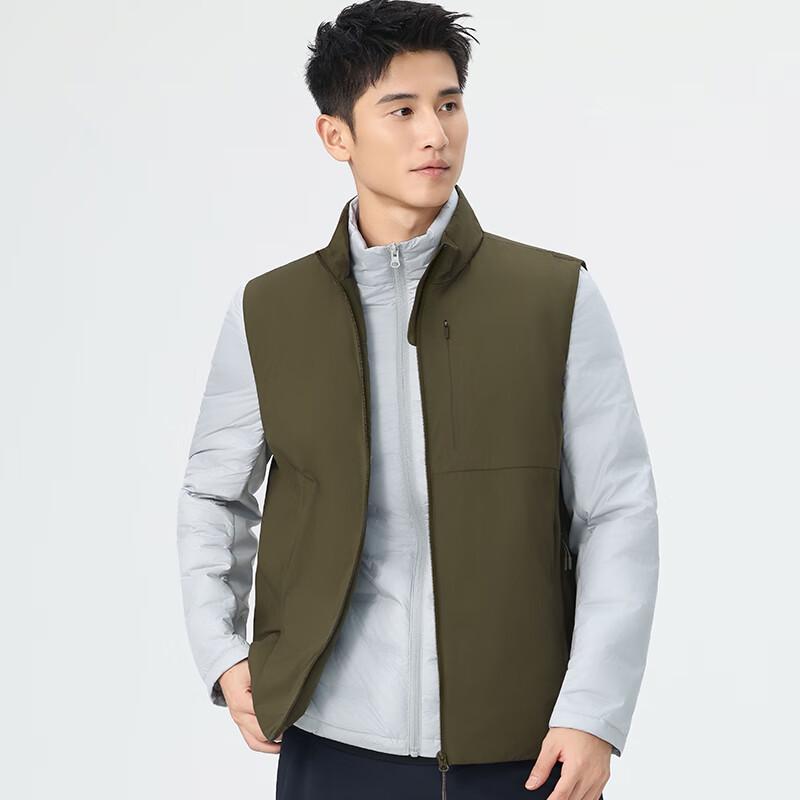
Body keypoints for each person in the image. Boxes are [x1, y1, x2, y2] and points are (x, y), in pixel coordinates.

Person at [176, 2, 659, 798]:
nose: (434, 133)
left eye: (449, 103)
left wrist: (594, 711)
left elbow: (617, 510)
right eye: (400, 110)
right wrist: (222, 654)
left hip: (525, 746)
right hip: (331, 738)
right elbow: (212, 492)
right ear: (337, 135)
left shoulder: (553, 297)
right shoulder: (270, 311)